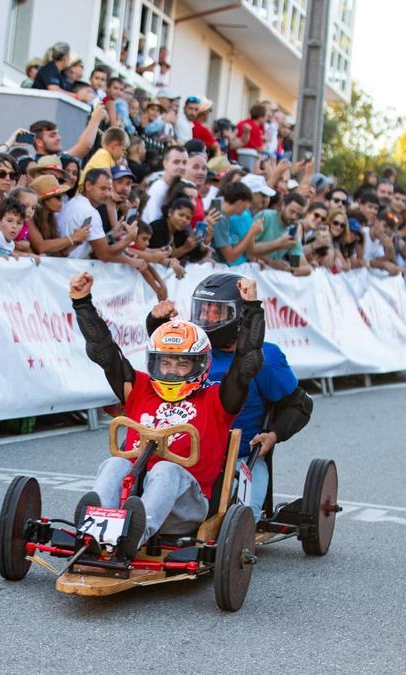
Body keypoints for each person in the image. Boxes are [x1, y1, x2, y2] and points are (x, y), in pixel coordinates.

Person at [70, 272, 264, 554]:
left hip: (186, 506)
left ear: (199, 365)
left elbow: (248, 361)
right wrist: (81, 303)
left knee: (165, 469)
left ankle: (131, 538)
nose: (172, 370)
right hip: (135, 494)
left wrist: (252, 308)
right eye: (166, 362)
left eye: (182, 364)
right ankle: (93, 530)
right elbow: (105, 353)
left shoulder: (216, 400)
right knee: (114, 464)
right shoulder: (139, 388)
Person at [146, 272, 312, 516]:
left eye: (217, 312)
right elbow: (161, 370)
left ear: (238, 315)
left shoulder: (266, 359)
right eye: (203, 310)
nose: (207, 318)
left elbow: (300, 405)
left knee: (244, 515)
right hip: (183, 453)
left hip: (240, 458)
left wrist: (273, 435)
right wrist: (155, 323)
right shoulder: (189, 351)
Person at [55, 168, 142, 270]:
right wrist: (129, 238)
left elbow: (93, 246)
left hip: (65, 267)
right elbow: (104, 255)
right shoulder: (90, 212)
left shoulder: (75, 202)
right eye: (102, 188)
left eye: (109, 189)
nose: (107, 194)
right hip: (71, 270)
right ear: (88, 186)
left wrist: (112, 235)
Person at [26, 173, 82, 256]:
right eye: (58, 197)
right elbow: (41, 247)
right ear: (45, 201)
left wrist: (75, 243)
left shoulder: (51, 219)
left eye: (62, 197)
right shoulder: (28, 218)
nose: (61, 201)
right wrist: (73, 237)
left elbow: (59, 253)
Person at [29, 105, 108, 160]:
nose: (59, 138)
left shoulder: (57, 158)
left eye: (57, 134)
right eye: (52, 135)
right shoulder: (41, 164)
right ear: (39, 142)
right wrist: (96, 119)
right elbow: (84, 147)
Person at [212, 181, 262, 266]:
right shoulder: (219, 218)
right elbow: (230, 257)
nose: (247, 209)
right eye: (246, 205)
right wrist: (251, 233)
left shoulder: (219, 208)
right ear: (239, 202)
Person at [141, 144, 187, 224]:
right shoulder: (158, 188)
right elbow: (154, 222)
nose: (182, 166)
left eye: (184, 163)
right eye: (176, 162)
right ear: (165, 163)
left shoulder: (182, 186)